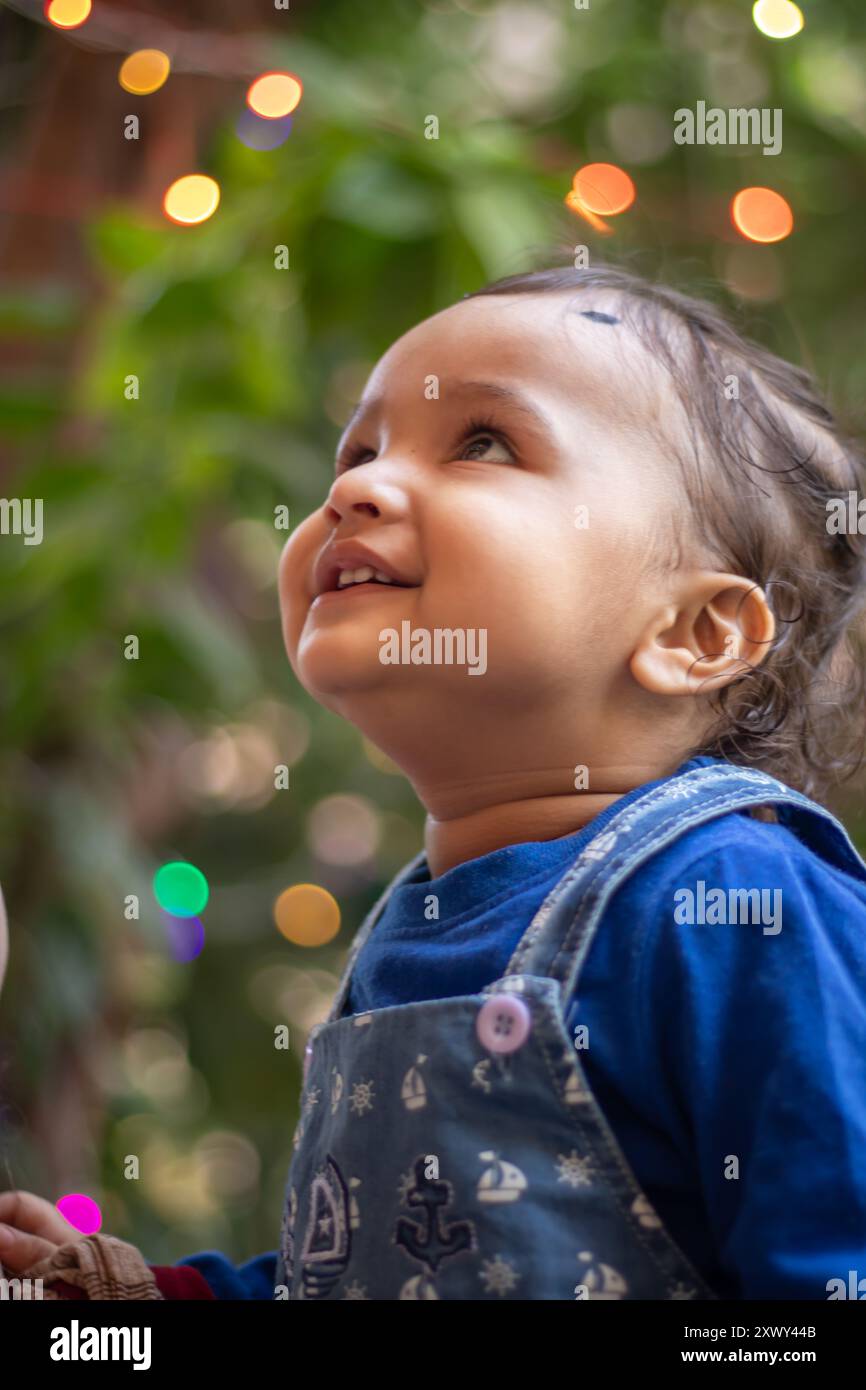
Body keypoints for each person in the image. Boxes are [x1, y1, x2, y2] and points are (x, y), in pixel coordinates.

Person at [3, 264, 866, 1300]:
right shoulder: (403, 932)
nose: (351, 488)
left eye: (483, 441)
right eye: (359, 449)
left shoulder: (738, 900)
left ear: (694, 632)